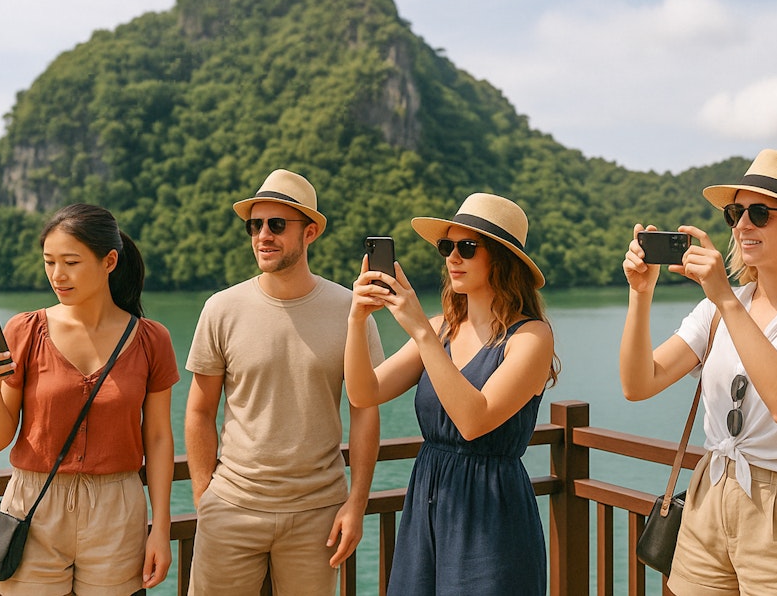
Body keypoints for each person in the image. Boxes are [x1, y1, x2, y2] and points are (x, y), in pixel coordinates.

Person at [619, 149, 777, 595]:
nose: (741, 225)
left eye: (758, 213)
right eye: (735, 213)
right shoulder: (714, 311)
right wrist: (640, 295)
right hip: (709, 491)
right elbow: (639, 384)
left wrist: (728, 300)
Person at [345, 192, 559, 595]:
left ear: (502, 259)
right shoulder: (441, 328)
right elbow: (363, 392)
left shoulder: (531, 336)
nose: (452, 258)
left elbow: (474, 420)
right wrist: (357, 319)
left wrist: (420, 332)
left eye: (467, 247)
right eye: (447, 247)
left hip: (491, 512)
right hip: (428, 498)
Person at [184, 168, 384, 595]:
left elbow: (365, 411)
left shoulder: (351, 310)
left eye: (277, 225)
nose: (263, 236)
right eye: (255, 225)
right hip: (231, 507)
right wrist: (206, 500)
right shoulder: (221, 308)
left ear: (309, 232)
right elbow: (199, 411)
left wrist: (357, 503)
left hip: (318, 512)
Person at [0, 203, 178, 595]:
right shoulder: (26, 330)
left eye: (70, 262)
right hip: (34, 507)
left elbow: (158, 438)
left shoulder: (152, 339)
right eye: (49, 262)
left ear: (109, 261)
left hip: (117, 510)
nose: (57, 275)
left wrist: (161, 529)